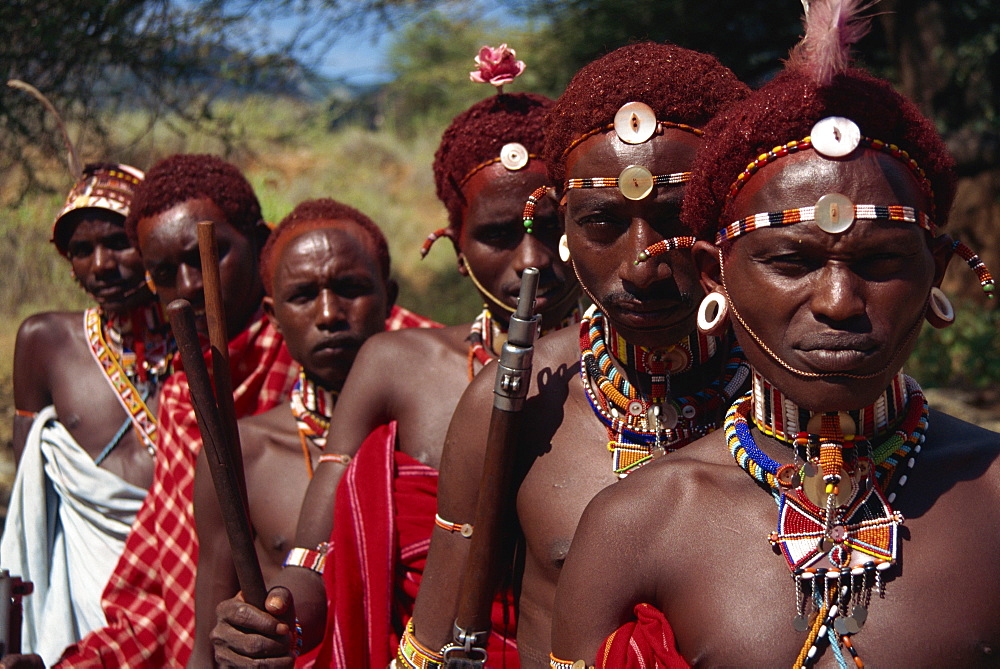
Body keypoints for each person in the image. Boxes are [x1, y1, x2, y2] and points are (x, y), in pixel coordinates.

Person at [549, 2, 1000, 667]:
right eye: (792, 261)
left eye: (881, 262)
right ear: (715, 275)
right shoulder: (638, 521)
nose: (840, 302)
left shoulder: (992, 490)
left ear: (934, 269)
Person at [210, 66, 581, 666]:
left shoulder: (641, 384)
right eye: (497, 234)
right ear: (456, 249)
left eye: (551, 226)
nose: (531, 259)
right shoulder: (395, 366)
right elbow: (313, 557)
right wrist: (275, 622)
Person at [405, 43, 751, 668]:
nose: (642, 267)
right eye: (602, 224)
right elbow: (433, 646)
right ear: (562, 225)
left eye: (677, 218)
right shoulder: (514, 400)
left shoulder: (799, 409)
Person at [188, 197, 410, 664]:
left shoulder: (434, 436)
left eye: (350, 288)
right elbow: (209, 646)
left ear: (389, 298)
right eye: (303, 295)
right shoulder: (242, 456)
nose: (329, 314)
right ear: (273, 316)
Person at [2, 163, 173, 665]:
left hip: (187, 584)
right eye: (81, 250)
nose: (100, 265)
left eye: (119, 243)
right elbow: (31, 499)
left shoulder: (205, 344)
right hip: (84, 599)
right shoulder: (45, 342)